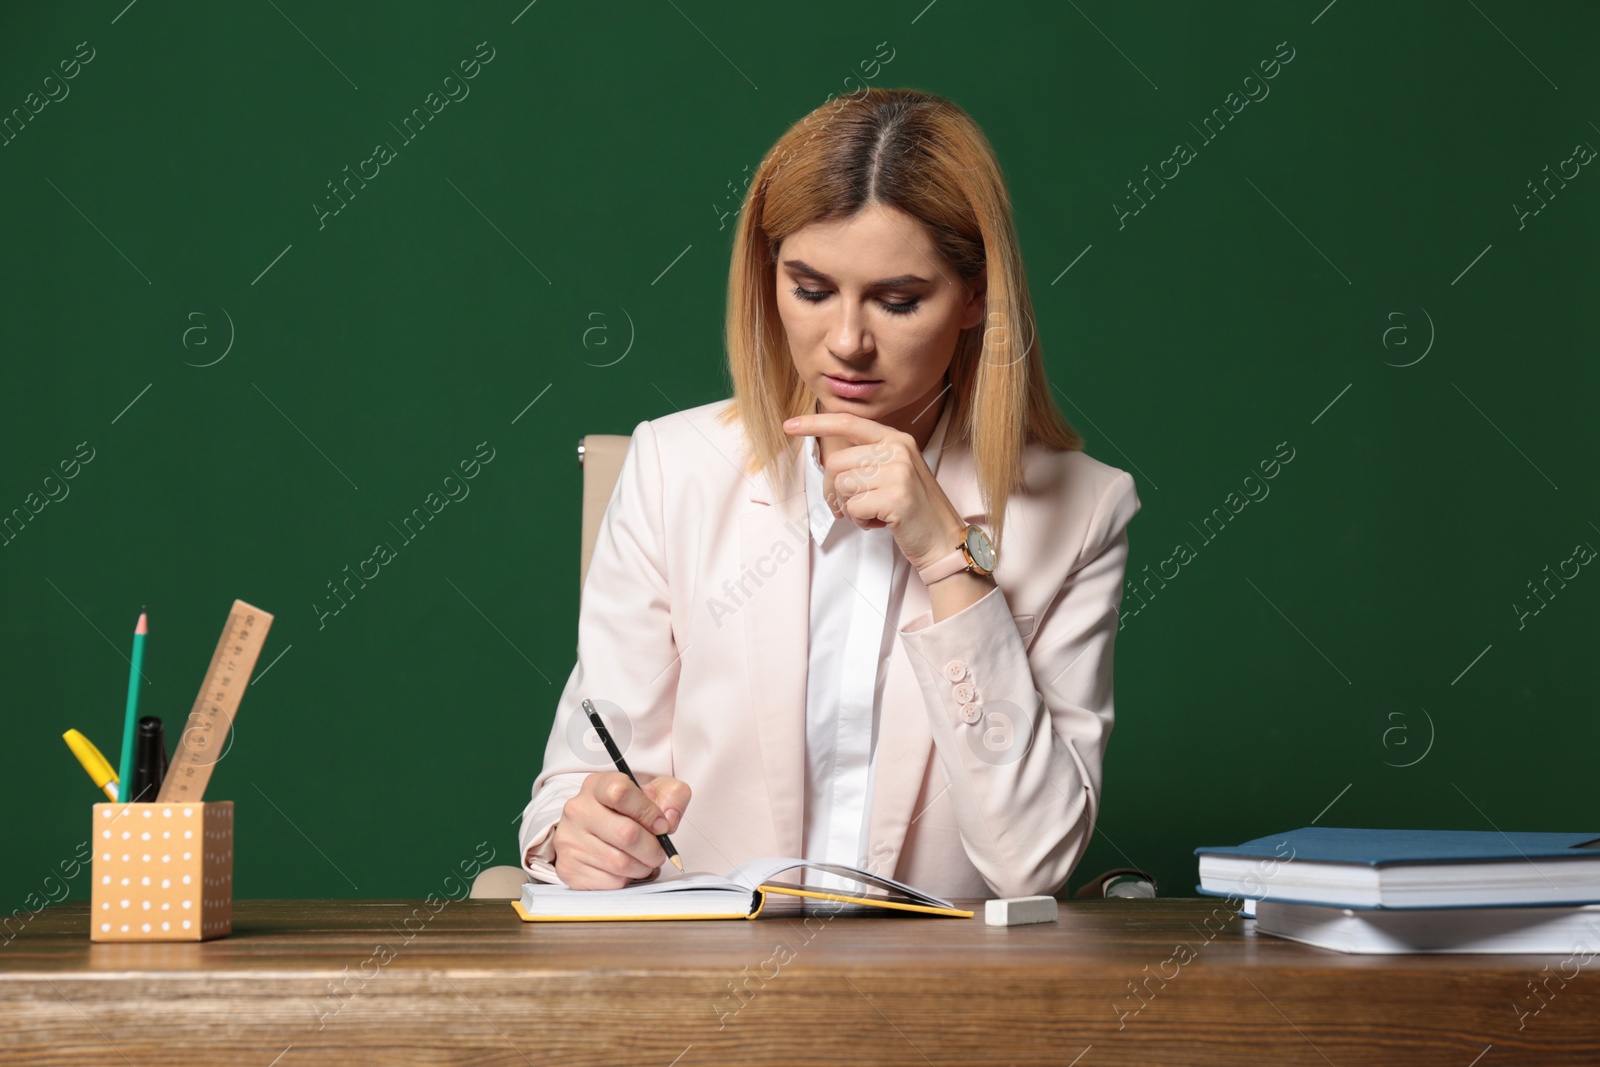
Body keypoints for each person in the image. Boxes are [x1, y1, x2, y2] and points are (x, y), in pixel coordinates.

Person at [517, 87, 1141, 900]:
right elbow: (575, 788)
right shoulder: (673, 465)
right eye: (810, 290)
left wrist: (950, 562)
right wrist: (581, 833)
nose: (847, 342)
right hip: (702, 992)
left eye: (898, 300)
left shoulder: (1083, 510)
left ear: (977, 297)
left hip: (945, 1005)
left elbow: (1031, 862)